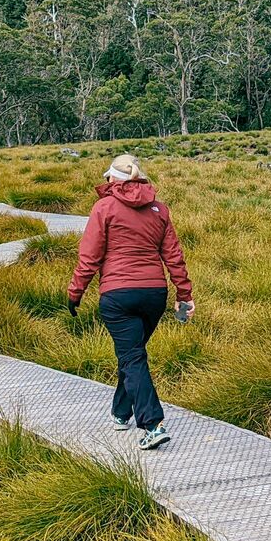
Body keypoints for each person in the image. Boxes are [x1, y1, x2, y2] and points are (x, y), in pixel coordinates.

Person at [67, 154, 194, 451]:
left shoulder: (104, 207)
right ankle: (121, 413)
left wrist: (76, 293)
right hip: (154, 294)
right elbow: (174, 256)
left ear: (114, 179)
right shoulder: (159, 209)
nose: (106, 181)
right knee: (133, 353)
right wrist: (184, 295)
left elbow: (90, 257)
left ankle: (153, 424)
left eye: (108, 176)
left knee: (132, 357)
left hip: (118, 296)